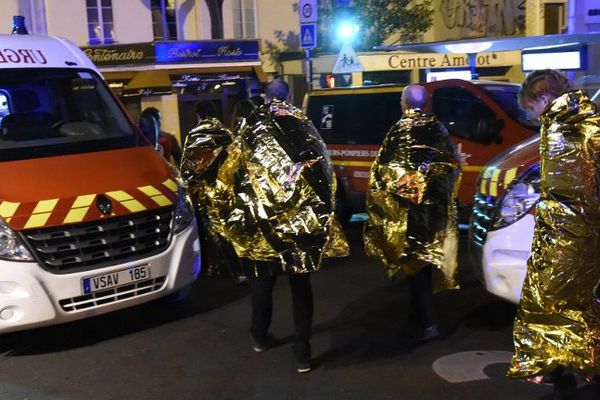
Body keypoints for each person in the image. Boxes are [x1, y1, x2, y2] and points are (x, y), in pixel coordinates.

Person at [184, 79, 349, 373]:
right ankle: (303, 352)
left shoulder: (251, 127)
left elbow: (231, 172)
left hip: (260, 224)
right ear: (288, 97)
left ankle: (260, 336)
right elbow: (323, 169)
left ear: (265, 98)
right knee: (301, 287)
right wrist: (321, 216)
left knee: (262, 283)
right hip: (299, 225)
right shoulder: (303, 124)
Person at [508, 69, 600, 387]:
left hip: (571, 237)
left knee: (556, 303)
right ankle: (571, 370)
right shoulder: (573, 122)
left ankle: (570, 374)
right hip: (567, 234)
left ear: (543, 98)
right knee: (567, 304)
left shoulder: (571, 126)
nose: (533, 116)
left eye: (531, 108)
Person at [363, 84, 461, 341]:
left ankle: (428, 323)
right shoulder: (438, 129)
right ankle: (420, 317)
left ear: (403, 103)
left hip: (409, 215)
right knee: (423, 266)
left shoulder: (398, 132)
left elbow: (385, 172)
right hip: (434, 214)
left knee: (415, 267)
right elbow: (451, 166)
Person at [181, 100, 245, 283]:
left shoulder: (194, 135)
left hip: (204, 192)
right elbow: (237, 163)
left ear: (199, 115)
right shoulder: (226, 134)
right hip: (226, 190)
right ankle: (238, 270)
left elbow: (187, 168)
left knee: (209, 232)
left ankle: (212, 268)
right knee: (229, 231)